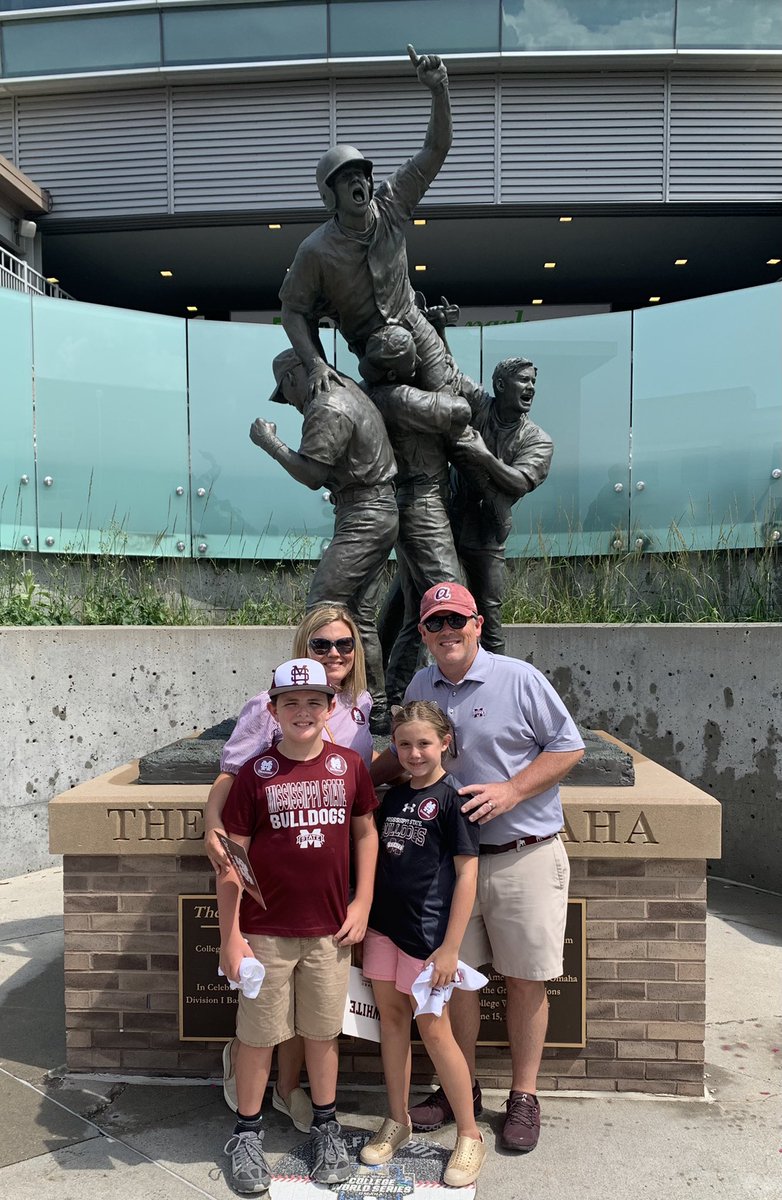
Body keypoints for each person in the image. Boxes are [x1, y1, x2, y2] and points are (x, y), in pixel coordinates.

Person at [371, 582, 584, 1154]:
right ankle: (456, 1086)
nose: (447, 633)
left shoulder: (519, 678)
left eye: (456, 622)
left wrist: (514, 791)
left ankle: (524, 1094)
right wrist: (347, 780)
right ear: (423, 634)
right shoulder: (421, 683)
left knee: (526, 978)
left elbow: (569, 747)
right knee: (452, 982)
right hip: (448, 867)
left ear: (477, 624)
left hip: (523, 852)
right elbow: (408, 754)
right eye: (435, 624)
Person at [205, 604, 373, 1135]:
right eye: (322, 644)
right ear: (274, 710)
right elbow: (233, 845)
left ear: (330, 707)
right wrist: (229, 934)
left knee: (322, 1030)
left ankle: (317, 1117)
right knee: (259, 1033)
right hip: (266, 923)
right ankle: (249, 1131)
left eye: (343, 644)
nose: (334, 652)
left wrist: (362, 899)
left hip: (327, 917)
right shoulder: (258, 770)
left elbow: (364, 825)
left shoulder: (355, 735)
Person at [279, 45, 453, 399]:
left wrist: (439, 89)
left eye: (361, 175)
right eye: (347, 178)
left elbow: (435, 149)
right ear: (331, 196)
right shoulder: (316, 251)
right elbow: (293, 311)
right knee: (404, 379)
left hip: (414, 320)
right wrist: (316, 364)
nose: (358, 181)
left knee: (452, 399)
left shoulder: (391, 202)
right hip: (375, 345)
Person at [360, 701, 485, 1189]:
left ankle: (470, 1134)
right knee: (392, 1024)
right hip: (383, 930)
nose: (414, 753)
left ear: (445, 743)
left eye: (424, 743)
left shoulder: (455, 799)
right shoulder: (390, 798)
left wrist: (451, 946)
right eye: (405, 744)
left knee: (434, 1032)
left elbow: (466, 874)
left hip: (428, 938)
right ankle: (397, 1118)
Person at [249, 349, 398, 729]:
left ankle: (311, 698)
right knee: (361, 617)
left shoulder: (326, 403)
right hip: (372, 509)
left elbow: (313, 473)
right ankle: (375, 706)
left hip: (365, 514)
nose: (292, 402)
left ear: (294, 377)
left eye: (287, 392)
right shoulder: (346, 388)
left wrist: (271, 444)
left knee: (323, 607)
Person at [450, 357, 553, 654]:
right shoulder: (481, 406)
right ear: (500, 385)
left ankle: (495, 685)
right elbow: (449, 373)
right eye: (523, 380)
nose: (530, 387)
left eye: (533, 381)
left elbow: (519, 481)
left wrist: (483, 456)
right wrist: (440, 330)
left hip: (488, 532)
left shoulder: (538, 440)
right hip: (446, 519)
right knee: (414, 599)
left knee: (489, 614)